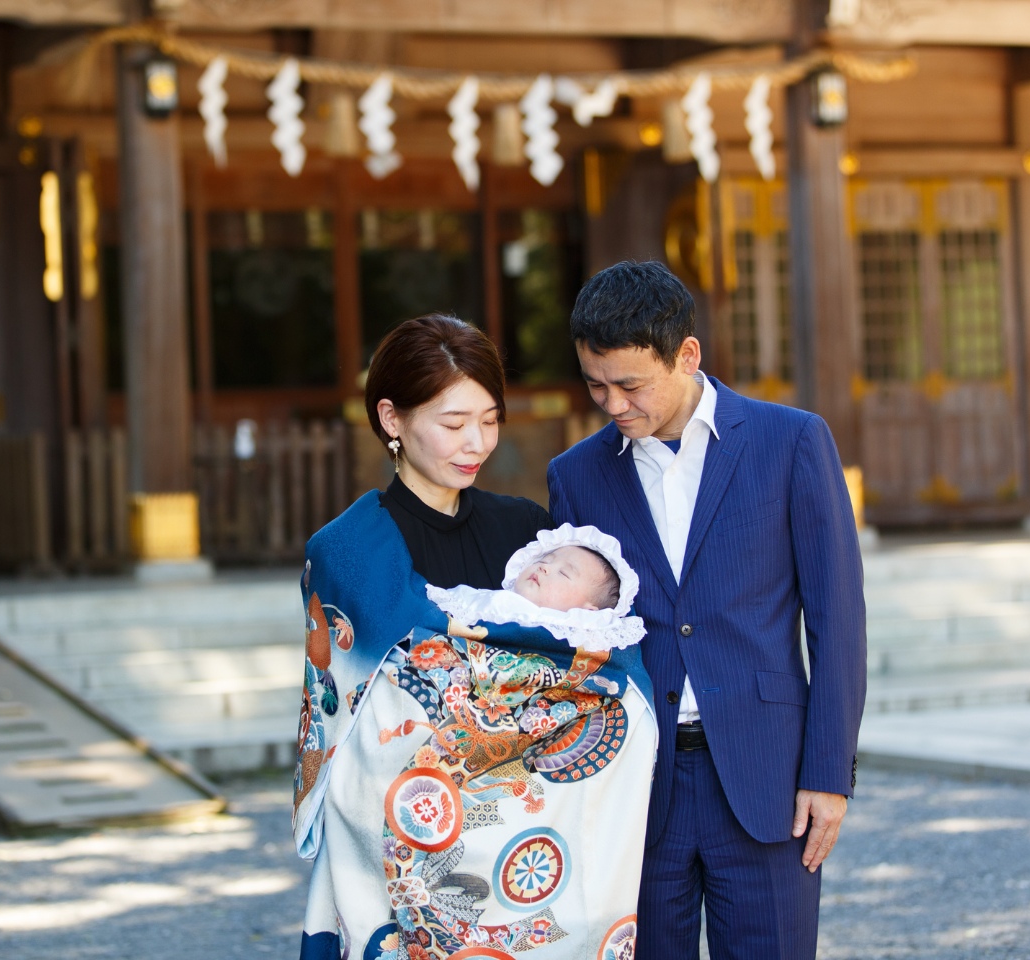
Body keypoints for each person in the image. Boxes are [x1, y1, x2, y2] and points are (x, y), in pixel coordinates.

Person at [295, 314, 655, 960]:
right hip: (410, 840)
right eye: (454, 424)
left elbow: (592, 669)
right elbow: (359, 730)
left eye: (490, 420)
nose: (477, 443)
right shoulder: (349, 555)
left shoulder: (529, 538)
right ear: (392, 419)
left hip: (527, 855)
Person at [547, 261, 868, 960]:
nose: (612, 404)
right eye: (595, 385)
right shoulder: (574, 476)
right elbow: (575, 641)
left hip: (768, 780)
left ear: (686, 355)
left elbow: (838, 623)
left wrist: (827, 774)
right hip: (632, 788)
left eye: (630, 385)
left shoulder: (792, 443)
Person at [426, 522, 648, 653]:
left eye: (564, 573)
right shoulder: (491, 601)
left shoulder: (580, 638)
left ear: (589, 612)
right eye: (545, 560)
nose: (544, 568)